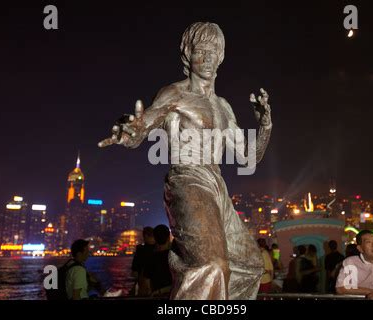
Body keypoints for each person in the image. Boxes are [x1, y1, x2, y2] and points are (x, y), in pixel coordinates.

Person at [98, 22, 272, 299]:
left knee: (249, 264)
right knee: (212, 265)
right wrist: (128, 130)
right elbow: (144, 126)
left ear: (221, 57)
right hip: (188, 179)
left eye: (213, 52)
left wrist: (265, 126)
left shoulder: (224, 107)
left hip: (217, 185)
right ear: (187, 55)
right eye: (200, 51)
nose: (206, 58)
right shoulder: (175, 93)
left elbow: (249, 156)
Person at [142, 225, 173, 297]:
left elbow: (146, 284)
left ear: (155, 238)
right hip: (173, 295)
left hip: (156, 295)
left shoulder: (150, 258)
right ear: (168, 238)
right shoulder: (175, 256)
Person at [131, 226, 156, 296]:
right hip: (159, 286)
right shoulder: (160, 249)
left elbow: (134, 272)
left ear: (145, 236)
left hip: (144, 285)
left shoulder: (140, 250)